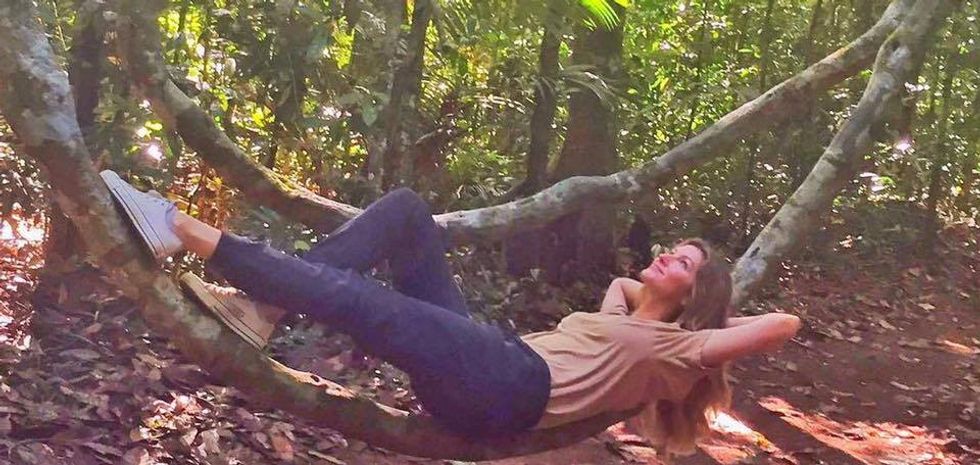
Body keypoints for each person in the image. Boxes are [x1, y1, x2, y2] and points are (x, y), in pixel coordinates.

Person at [100, 170, 801, 453]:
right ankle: (262, 308)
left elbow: (784, 327)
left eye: (685, 265)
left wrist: (706, 317)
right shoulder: (625, 313)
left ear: (696, 300)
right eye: (674, 251)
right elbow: (621, 287)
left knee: (368, 305)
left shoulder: (676, 351)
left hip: (507, 382)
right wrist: (659, 290)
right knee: (408, 212)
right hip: (489, 367)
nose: (669, 258)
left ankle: (180, 228)